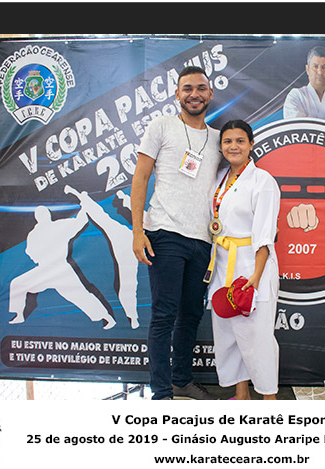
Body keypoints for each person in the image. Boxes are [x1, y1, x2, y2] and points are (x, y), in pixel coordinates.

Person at [131, 66, 221, 400]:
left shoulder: (219, 139)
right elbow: (140, 178)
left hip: (203, 241)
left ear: (210, 94)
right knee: (164, 315)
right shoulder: (161, 126)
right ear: (177, 94)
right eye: (187, 89)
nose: (194, 94)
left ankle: (182, 379)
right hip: (164, 233)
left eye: (200, 88)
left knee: (191, 315)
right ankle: (161, 393)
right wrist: (137, 231)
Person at [204, 120, 280, 400]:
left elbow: (265, 235)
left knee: (257, 337)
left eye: (240, 141)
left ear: (251, 144)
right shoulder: (218, 179)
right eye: (227, 141)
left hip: (251, 264)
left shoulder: (263, 181)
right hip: (222, 263)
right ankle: (241, 394)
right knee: (228, 334)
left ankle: (269, 398)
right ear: (221, 146)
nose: (233, 146)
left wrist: (256, 276)